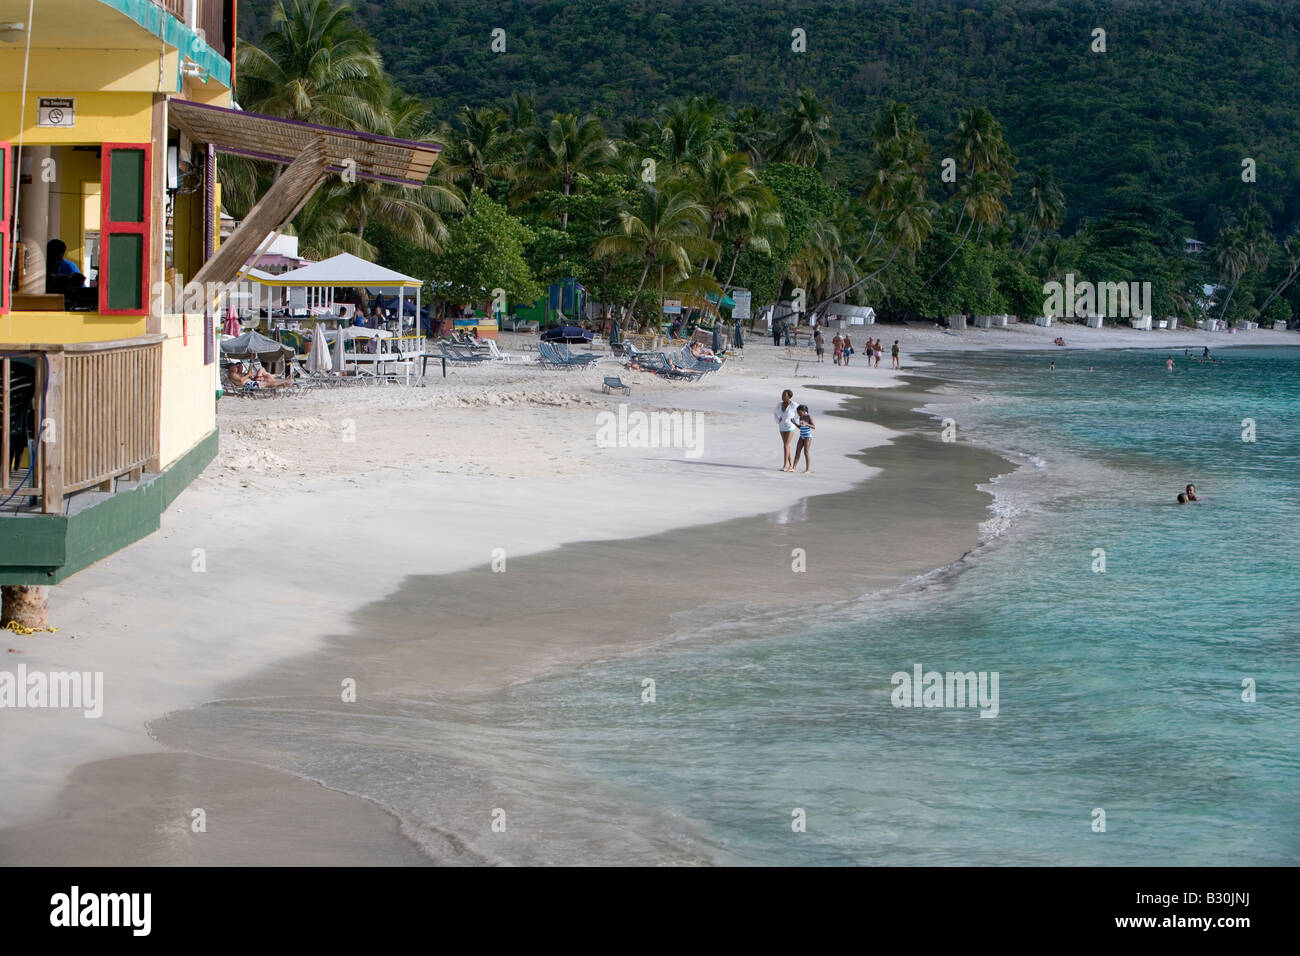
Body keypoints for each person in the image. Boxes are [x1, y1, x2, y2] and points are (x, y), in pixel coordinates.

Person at [774, 389, 799, 471]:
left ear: (789, 396)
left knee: (786, 445)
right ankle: (791, 465)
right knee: (786, 446)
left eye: (784, 395)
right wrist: (778, 420)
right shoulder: (779, 404)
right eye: (782, 394)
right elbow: (775, 413)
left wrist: (795, 422)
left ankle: (785, 465)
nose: (782, 396)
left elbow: (799, 413)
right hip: (782, 426)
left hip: (790, 426)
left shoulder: (793, 405)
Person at [792, 404, 815, 473]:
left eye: (799, 412)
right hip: (801, 436)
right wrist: (794, 423)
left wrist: (806, 424)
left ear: (804, 411)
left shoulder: (808, 417)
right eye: (798, 413)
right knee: (797, 452)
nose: (798, 414)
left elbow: (814, 427)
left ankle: (807, 470)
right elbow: (801, 427)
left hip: (808, 437)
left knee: (806, 452)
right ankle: (793, 467)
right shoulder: (800, 418)